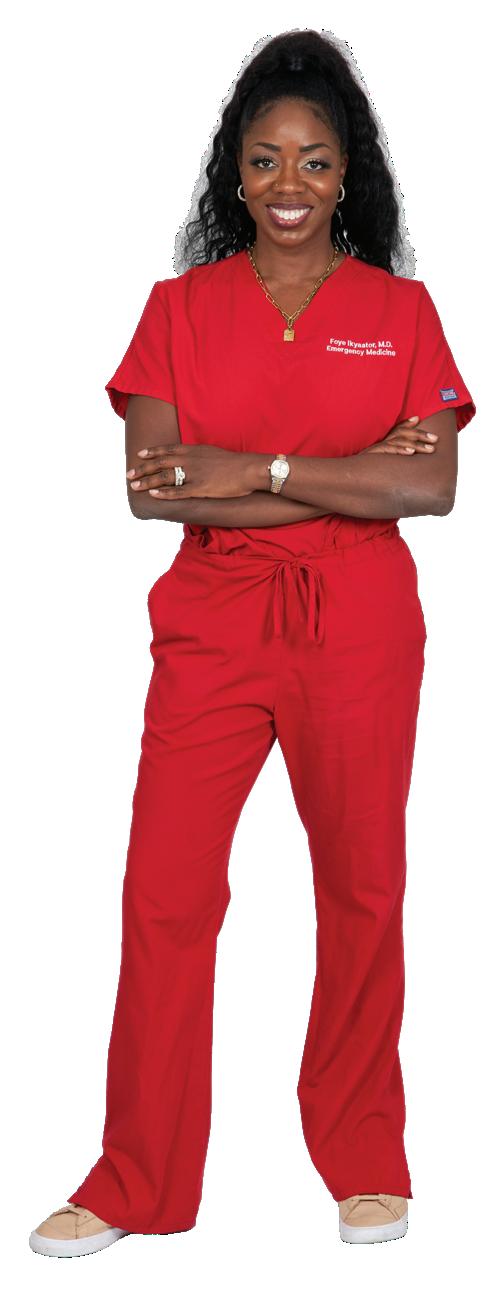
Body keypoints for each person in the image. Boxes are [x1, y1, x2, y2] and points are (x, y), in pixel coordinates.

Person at [29, 29, 476, 1256]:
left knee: (362, 887)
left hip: (362, 626)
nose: (290, 183)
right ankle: (137, 1176)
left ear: (348, 175)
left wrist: (255, 468)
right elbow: (155, 488)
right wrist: (343, 473)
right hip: (214, 626)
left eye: (315, 161)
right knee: (164, 893)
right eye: (267, 158)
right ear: (236, 170)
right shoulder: (178, 309)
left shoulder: (401, 312)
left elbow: (430, 487)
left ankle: (366, 1154)